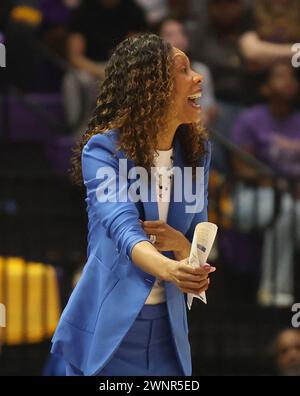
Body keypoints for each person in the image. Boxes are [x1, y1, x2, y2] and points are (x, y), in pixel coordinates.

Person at [51, 33, 215, 376]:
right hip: (107, 333)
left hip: (169, 335)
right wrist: (171, 269)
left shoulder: (198, 154)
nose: (197, 77)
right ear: (150, 87)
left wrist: (188, 256)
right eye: (183, 70)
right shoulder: (103, 151)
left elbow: (197, 238)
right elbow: (124, 230)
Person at [231, 62, 300, 307]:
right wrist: (279, 185)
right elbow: (241, 168)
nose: (289, 82)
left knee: (291, 210)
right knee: (285, 211)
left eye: (292, 77)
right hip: (253, 196)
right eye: (280, 76)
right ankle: (273, 292)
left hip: (293, 196)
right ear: (265, 87)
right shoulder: (251, 119)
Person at [157, 17, 218, 128]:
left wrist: (202, 116)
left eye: (181, 33)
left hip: (193, 129)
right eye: (170, 35)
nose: (177, 39)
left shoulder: (200, 70)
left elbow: (209, 108)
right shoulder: (152, 73)